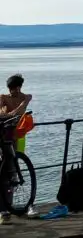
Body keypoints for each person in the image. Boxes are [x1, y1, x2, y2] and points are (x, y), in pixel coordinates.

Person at [0, 75, 32, 224]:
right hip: (6, 133)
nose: (14, 91)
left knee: (12, 169)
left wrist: (11, 113)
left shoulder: (26, 97)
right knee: (5, 168)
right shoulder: (3, 97)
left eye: (17, 88)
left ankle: (7, 208)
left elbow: (20, 111)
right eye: (12, 88)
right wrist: (7, 112)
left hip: (18, 135)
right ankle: (5, 207)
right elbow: (1, 111)